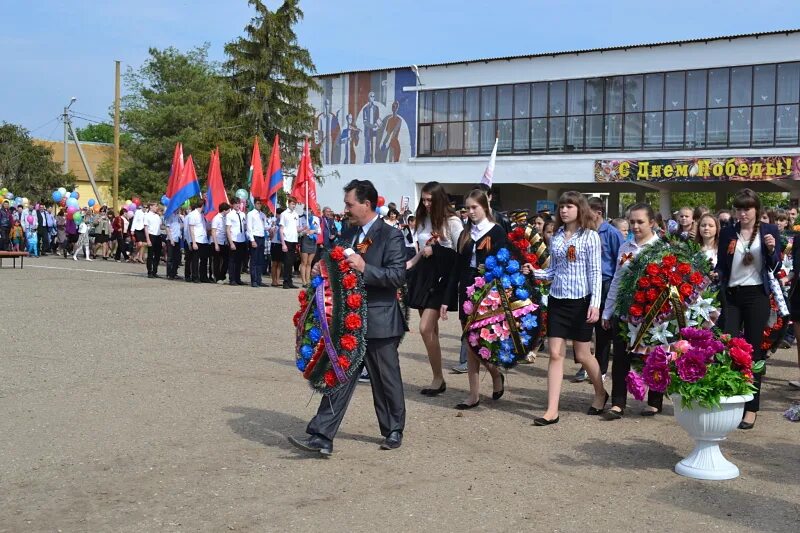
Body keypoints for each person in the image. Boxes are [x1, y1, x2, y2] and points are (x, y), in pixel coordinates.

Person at [289, 179, 407, 456]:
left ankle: (393, 428)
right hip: (348, 321)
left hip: (379, 321)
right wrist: (322, 267)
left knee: (385, 379)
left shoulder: (391, 235)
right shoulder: (348, 233)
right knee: (339, 374)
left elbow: (397, 276)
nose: (346, 209)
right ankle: (322, 435)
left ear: (366, 204)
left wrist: (366, 268)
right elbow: (334, 261)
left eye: (349, 204)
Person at [525, 191, 608, 426]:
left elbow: (595, 273)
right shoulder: (558, 236)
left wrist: (595, 304)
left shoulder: (590, 236)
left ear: (579, 209)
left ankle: (600, 392)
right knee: (554, 354)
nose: (564, 210)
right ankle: (552, 410)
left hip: (581, 301)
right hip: (557, 300)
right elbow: (553, 271)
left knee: (582, 355)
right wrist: (534, 272)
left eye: (569, 206)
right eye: (561, 206)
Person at [716, 188, 780, 430]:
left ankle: (751, 407)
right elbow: (723, 264)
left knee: (754, 353)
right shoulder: (729, 232)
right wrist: (717, 274)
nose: (743, 213)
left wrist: (772, 250)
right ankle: (729, 397)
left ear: (756, 210)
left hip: (756, 296)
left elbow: (775, 266)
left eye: (747, 209)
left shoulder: (769, 231)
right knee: (727, 346)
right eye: (739, 209)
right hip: (732, 296)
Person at [442, 188, 507, 409]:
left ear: (484, 207)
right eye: (467, 208)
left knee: (483, 342)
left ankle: (496, 374)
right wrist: (446, 299)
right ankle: (474, 394)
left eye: (474, 207)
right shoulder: (465, 234)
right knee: (470, 343)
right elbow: (455, 269)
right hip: (467, 289)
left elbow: (503, 263)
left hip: (488, 291)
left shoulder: (496, 231)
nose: (470, 212)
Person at [601, 203, 661, 420]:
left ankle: (655, 401)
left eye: (640, 222)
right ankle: (618, 402)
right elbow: (617, 279)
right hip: (625, 310)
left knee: (653, 356)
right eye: (632, 222)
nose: (635, 226)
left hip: (652, 313)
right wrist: (608, 311)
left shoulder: (661, 248)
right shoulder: (626, 247)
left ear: (652, 223)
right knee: (620, 358)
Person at [405, 181, 463, 395]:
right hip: (424, 275)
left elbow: (461, 253)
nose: (426, 203)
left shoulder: (453, 222)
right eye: (424, 199)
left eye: (430, 199)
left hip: (442, 278)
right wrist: (412, 261)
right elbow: (422, 247)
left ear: (440, 199)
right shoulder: (423, 218)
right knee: (431, 332)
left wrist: (437, 249)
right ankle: (437, 378)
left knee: (424, 328)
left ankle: (438, 378)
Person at [572, 198, 623, 384]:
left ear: (598, 213)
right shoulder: (583, 232)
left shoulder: (612, 233)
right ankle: (585, 364)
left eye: (586, 211)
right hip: (585, 284)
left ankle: (600, 369)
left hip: (605, 283)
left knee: (602, 329)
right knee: (584, 327)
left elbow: (621, 260)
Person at [186, 200, 211, 283]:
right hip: (196, 240)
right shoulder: (193, 215)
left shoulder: (202, 215)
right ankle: (195, 276)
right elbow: (191, 229)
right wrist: (193, 242)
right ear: (202, 205)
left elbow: (205, 227)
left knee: (204, 259)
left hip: (204, 240)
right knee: (195, 260)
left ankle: (203, 276)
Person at [247, 198, 268, 287]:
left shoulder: (263, 215)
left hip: (262, 237)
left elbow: (265, 226)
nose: (259, 205)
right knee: (254, 260)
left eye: (260, 203)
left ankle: (259, 279)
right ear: (255, 204)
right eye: (258, 203)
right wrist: (252, 240)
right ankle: (254, 280)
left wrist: (271, 227)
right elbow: (249, 228)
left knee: (260, 260)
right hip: (255, 237)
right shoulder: (250, 214)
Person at [279, 197, 299, 289]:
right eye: (292, 204)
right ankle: (285, 282)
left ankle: (290, 281)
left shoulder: (296, 214)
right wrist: (283, 243)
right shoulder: (284, 214)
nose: (294, 206)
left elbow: (296, 228)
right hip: (287, 240)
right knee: (286, 262)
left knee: (291, 262)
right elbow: (281, 229)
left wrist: (304, 229)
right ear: (288, 203)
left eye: (295, 204)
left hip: (294, 240)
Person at [226, 201, 248, 286]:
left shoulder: (242, 214)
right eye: (235, 204)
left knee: (239, 260)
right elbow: (228, 229)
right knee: (232, 260)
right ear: (232, 205)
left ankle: (238, 278)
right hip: (234, 239)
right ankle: (232, 279)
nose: (238, 205)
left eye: (239, 203)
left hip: (242, 239)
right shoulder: (229, 215)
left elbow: (245, 226)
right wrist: (231, 242)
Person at [297, 208, 319, 287]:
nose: (308, 210)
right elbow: (298, 232)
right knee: (304, 262)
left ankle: (308, 280)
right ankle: (303, 281)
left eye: (309, 209)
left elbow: (319, 230)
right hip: (305, 240)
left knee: (309, 263)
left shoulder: (316, 218)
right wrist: (304, 231)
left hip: (313, 241)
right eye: (306, 209)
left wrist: (314, 231)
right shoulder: (301, 219)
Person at [211, 202, 231, 283]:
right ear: (224, 210)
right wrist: (216, 244)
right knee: (217, 261)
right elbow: (213, 231)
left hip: (224, 242)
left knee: (226, 260)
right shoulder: (216, 218)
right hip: (217, 241)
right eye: (228, 210)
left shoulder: (226, 218)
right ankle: (217, 277)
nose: (229, 212)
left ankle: (223, 276)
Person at [144, 203, 162, 278]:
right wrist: (148, 239)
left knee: (157, 255)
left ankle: (155, 271)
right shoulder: (147, 215)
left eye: (157, 206)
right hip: (151, 236)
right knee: (150, 255)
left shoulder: (157, 216)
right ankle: (149, 271)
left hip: (158, 236)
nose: (156, 207)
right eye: (155, 206)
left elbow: (160, 227)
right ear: (151, 207)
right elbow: (146, 228)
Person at [269, 207, 285, 287]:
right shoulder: (274, 222)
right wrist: (272, 230)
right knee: (274, 263)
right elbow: (270, 236)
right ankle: (273, 280)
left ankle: (278, 280)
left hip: (281, 243)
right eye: (280, 215)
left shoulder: (283, 223)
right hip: (274, 243)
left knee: (280, 263)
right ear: (277, 214)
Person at [165, 208, 183, 280]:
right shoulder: (170, 216)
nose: (178, 209)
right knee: (170, 257)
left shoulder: (178, 217)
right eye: (177, 208)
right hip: (171, 239)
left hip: (177, 238)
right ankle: (169, 273)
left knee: (177, 257)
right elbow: (167, 228)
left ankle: (174, 273)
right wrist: (171, 239)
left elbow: (180, 226)